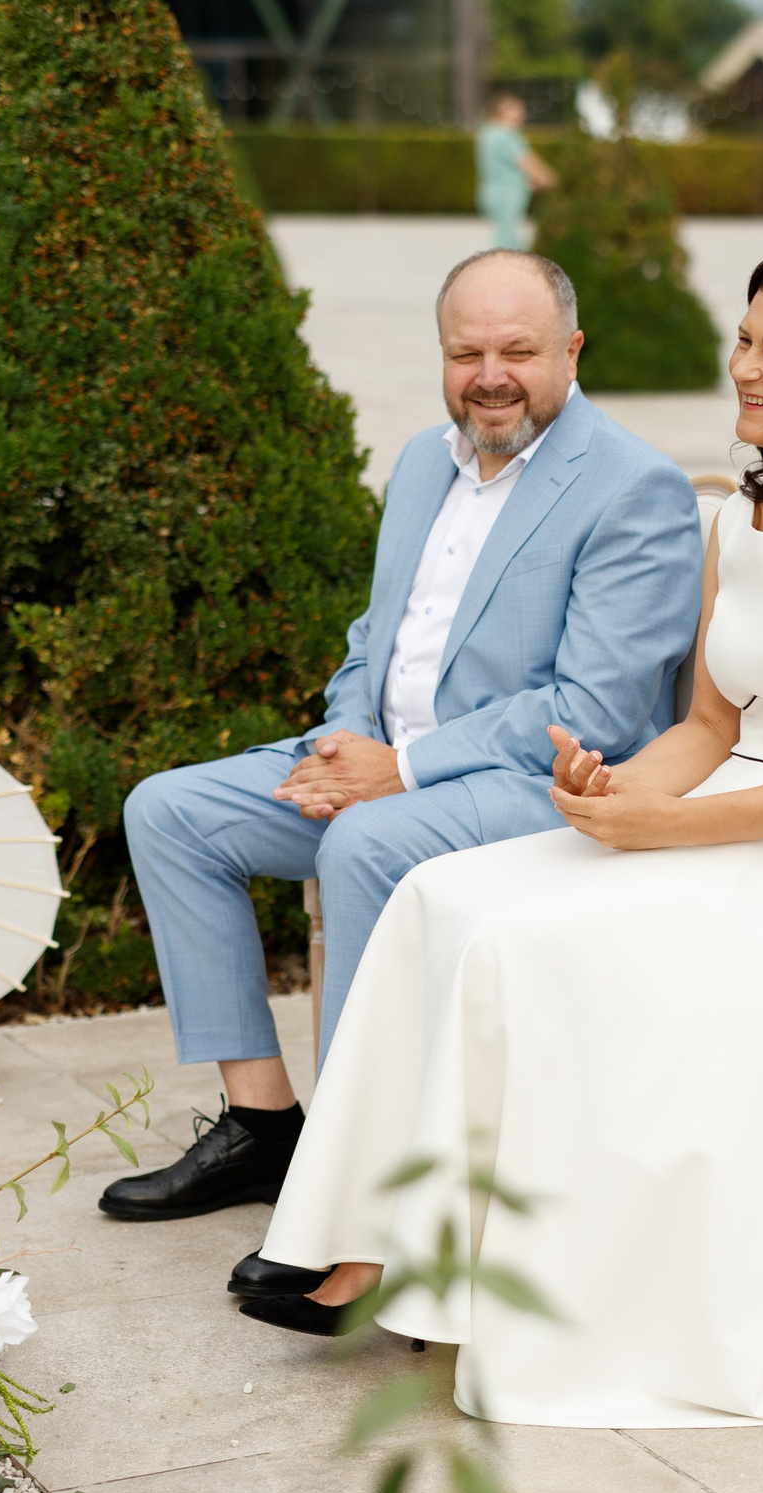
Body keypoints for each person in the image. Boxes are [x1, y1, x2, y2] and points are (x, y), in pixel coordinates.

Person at [241, 245, 763, 1431]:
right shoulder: (748, 512)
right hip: (728, 805)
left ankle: (517, 1284)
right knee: (443, 899)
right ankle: (387, 1244)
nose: (743, 368)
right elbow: (709, 723)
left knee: (522, 947)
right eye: (745, 339)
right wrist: (615, 791)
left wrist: (668, 830)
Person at [101, 252, 702, 1263]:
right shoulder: (427, 460)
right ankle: (264, 1128)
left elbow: (594, 708)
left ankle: (355, 1192)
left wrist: (404, 770)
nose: (491, 375)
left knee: (365, 845)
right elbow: (377, 635)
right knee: (169, 811)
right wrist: (349, 739)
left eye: (518, 350)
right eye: (466, 352)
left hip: (534, 789)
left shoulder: (633, 488)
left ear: (572, 350)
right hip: (385, 763)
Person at [476, 92, 556, 249]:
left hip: (490, 191)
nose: (520, 115)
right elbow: (526, 161)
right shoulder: (505, 135)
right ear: (501, 112)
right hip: (508, 192)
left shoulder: (487, 133)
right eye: (515, 110)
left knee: (505, 233)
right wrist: (551, 179)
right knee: (507, 239)